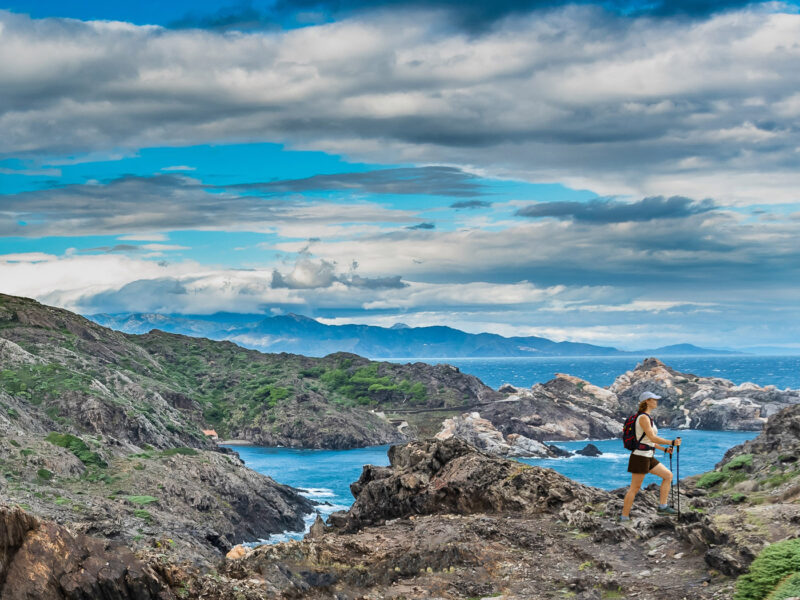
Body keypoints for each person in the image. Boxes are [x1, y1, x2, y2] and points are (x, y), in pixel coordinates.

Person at [620, 391, 682, 521]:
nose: (656, 402)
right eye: (654, 399)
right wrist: (671, 442)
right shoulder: (643, 418)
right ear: (647, 401)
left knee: (668, 476)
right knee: (634, 488)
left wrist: (664, 449)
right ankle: (624, 517)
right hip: (640, 457)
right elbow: (652, 437)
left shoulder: (648, 417)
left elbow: (649, 441)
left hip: (648, 456)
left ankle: (662, 507)